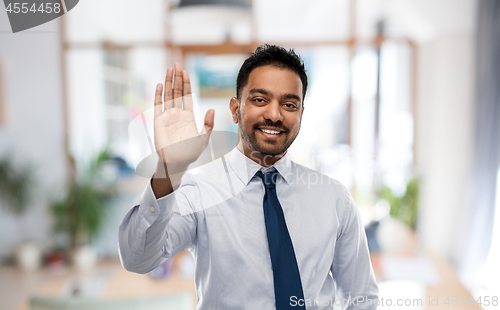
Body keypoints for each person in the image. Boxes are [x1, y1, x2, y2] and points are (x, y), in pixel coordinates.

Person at [118, 44, 379, 310]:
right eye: (259, 100)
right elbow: (137, 258)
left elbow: (362, 298)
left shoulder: (333, 198)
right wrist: (168, 168)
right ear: (235, 109)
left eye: (289, 104)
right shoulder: (199, 192)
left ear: (301, 114)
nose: (274, 114)